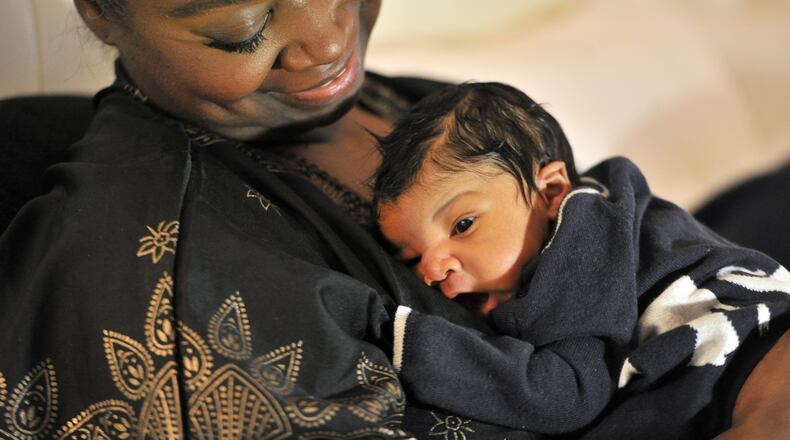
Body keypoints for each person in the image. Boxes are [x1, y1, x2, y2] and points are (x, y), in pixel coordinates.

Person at [0, 1, 785, 438]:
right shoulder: (161, 303)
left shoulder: (413, 108)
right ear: (99, 10)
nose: (328, 39)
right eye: (244, 28)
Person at [373, 82, 790, 437]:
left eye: (463, 225)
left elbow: (566, 394)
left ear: (552, 191)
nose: (432, 269)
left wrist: (405, 339)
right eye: (413, 256)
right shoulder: (601, 208)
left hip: (735, 367)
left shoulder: (582, 248)